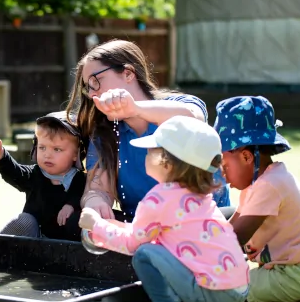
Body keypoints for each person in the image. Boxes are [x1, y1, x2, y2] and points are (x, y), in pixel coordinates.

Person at [79, 115, 249, 302]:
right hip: (237, 293)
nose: (145, 155)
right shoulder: (199, 195)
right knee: (174, 248)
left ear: (167, 162)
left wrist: (97, 226)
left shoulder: (158, 199)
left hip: (213, 296)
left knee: (145, 253)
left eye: (150, 150)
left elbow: (132, 244)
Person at [64, 39, 231, 223]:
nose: (93, 93)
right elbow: (98, 188)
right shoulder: (106, 132)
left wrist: (135, 109)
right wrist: (95, 202)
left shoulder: (179, 104)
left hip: (203, 226)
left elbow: (193, 120)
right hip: (141, 231)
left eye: (96, 81)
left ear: (128, 73)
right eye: (88, 87)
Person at [214, 96, 300, 302]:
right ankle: (299, 298)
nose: (222, 172)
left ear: (246, 157)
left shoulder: (269, 185)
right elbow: (232, 224)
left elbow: (233, 239)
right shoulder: (261, 180)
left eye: (224, 164)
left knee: (223, 297)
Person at [0, 111, 86, 241]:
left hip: (67, 246)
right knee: (25, 220)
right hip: (34, 240)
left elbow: (82, 195)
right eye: (42, 148)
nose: (47, 154)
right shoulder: (34, 174)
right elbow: (15, 173)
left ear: (75, 154)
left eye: (57, 149)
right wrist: (0, 155)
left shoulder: (79, 179)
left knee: (82, 219)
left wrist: (71, 205)